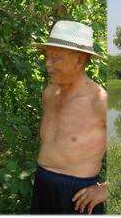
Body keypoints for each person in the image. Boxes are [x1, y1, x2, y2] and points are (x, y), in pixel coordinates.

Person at [30, 20, 107, 214]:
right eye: (47, 56)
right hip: (43, 187)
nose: (48, 64)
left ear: (80, 59)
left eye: (56, 58)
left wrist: (107, 188)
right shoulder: (49, 93)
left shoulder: (99, 101)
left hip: (78, 196)